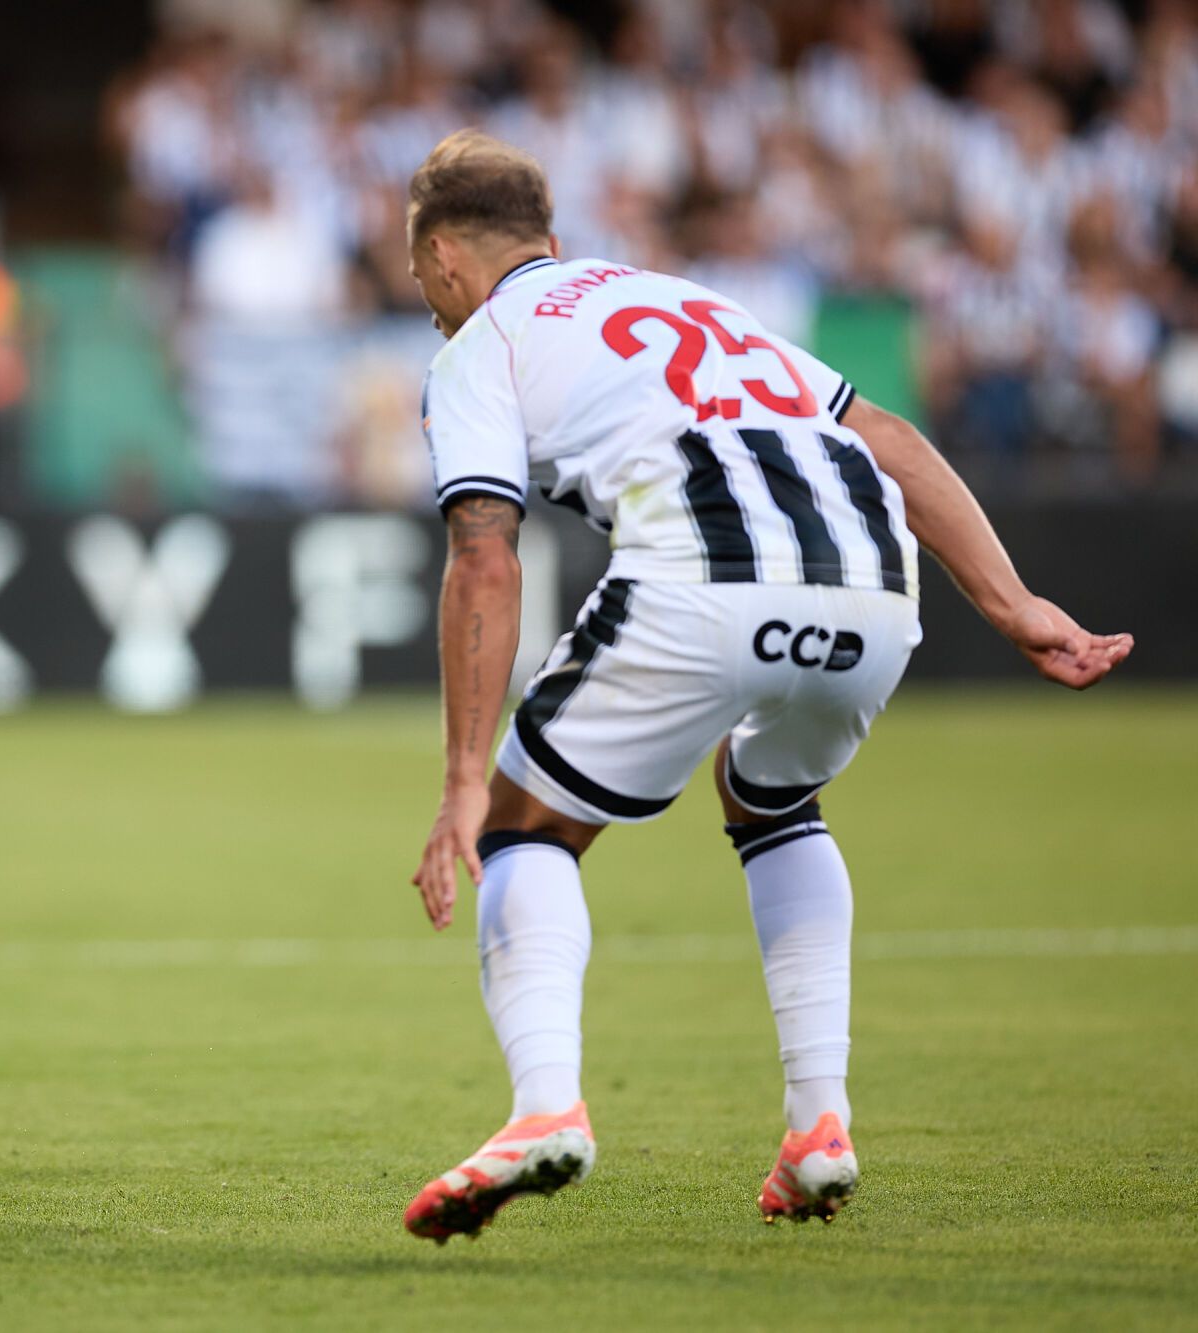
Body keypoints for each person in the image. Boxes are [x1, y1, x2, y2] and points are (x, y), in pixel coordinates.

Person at [397, 130, 1131, 1241]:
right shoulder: (686, 300)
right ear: (551, 242)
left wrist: (459, 776)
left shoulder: (476, 346)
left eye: (419, 276)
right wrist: (1011, 602)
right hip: (875, 588)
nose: (425, 298)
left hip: (701, 576)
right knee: (770, 796)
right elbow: (883, 434)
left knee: (524, 830)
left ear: (443, 256)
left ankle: (543, 1106)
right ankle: (816, 1125)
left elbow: (483, 555)